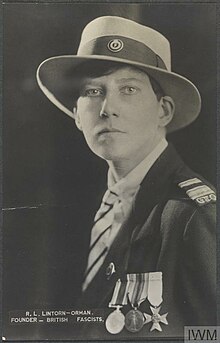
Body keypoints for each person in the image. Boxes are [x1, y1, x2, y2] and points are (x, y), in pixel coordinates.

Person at [37, 16, 216, 339]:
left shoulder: (188, 214)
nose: (108, 108)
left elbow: (213, 334)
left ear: (163, 111)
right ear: (77, 115)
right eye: (93, 91)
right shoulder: (87, 209)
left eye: (128, 89)